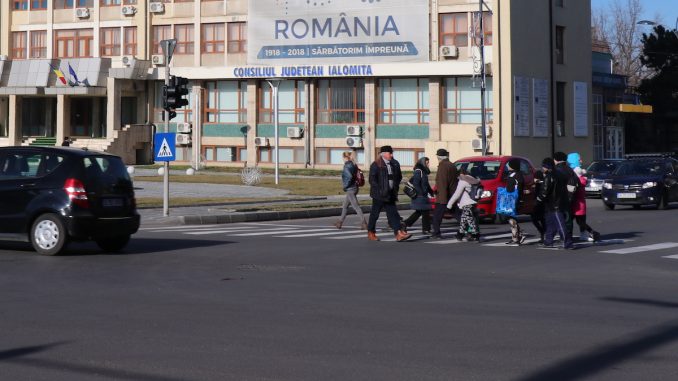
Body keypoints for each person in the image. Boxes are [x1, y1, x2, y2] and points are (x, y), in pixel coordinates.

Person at [366, 146, 411, 242]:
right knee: (375, 214)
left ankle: (398, 233)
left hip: (390, 194)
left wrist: (395, 188)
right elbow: (372, 180)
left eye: (391, 153)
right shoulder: (376, 165)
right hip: (379, 195)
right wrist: (380, 190)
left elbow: (398, 177)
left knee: (393, 214)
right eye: (389, 153)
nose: (391, 155)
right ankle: (371, 232)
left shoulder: (393, 164)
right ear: (383, 154)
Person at [538, 157, 574, 249]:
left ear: (547, 166)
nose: (543, 168)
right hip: (560, 201)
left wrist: (538, 200)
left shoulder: (549, 177)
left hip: (554, 204)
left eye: (543, 166)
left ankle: (568, 243)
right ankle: (548, 241)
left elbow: (545, 191)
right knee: (551, 223)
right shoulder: (560, 174)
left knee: (559, 224)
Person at [430, 148, 458, 239]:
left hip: (443, 196)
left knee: (437, 216)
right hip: (452, 194)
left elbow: (442, 183)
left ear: (439, 157)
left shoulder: (443, 166)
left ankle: (436, 233)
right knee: (457, 214)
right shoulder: (452, 165)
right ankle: (469, 229)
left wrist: (441, 197)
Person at [446, 169, 481, 242]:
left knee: (470, 220)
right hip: (473, 202)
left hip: (466, 203)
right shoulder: (472, 179)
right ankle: (460, 234)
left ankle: (476, 234)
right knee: (463, 220)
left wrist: (449, 204)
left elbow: (457, 194)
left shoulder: (463, 181)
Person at [335, 151, 367, 230]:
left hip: (350, 189)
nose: (342, 159)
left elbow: (349, 177)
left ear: (345, 157)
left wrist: (345, 186)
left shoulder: (347, 166)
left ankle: (364, 223)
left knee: (356, 207)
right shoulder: (353, 164)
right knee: (345, 206)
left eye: (342, 158)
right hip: (355, 187)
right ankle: (339, 222)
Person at [403, 157, 433, 235]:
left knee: (419, 212)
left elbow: (426, 184)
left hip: (422, 195)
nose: (428, 164)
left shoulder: (423, 171)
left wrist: (431, 191)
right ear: (423, 163)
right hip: (420, 196)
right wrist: (421, 192)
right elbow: (416, 183)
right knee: (425, 212)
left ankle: (405, 223)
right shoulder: (418, 171)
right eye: (427, 163)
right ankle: (426, 229)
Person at [554, 151, 578, 243]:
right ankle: (569, 236)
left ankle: (563, 237)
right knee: (568, 218)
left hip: (558, 198)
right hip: (570, 197)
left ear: (555, 160)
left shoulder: (555, 170)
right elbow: (577, 183)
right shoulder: (570, 170)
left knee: (559, 218)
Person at [572, 166, 601, 242]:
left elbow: (575, 193)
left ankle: (592, 232)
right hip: (581, 205)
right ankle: (585, 234)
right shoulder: (582, 180)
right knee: (581, 221)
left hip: (577, 205)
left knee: (579, 222)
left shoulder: (578, 182)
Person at [504, 158, 526, 245]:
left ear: (513, 166)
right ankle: (517, 235)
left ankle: (517, 236)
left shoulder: (515, 176)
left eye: (509, 165)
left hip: (512, 198)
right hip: (513, 197)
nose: (507, 166)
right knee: (510, 217)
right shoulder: (516, 175)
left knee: (510, 217)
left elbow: (514, 188)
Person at [531, 169, 546, 243]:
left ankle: (544, 234)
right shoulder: (536, 184)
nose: (535, 179)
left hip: (541, 203)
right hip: (537, 203)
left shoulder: (543, 183)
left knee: (542, 219)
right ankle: (543, 232)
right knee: (535, 219)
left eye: (536, 177)